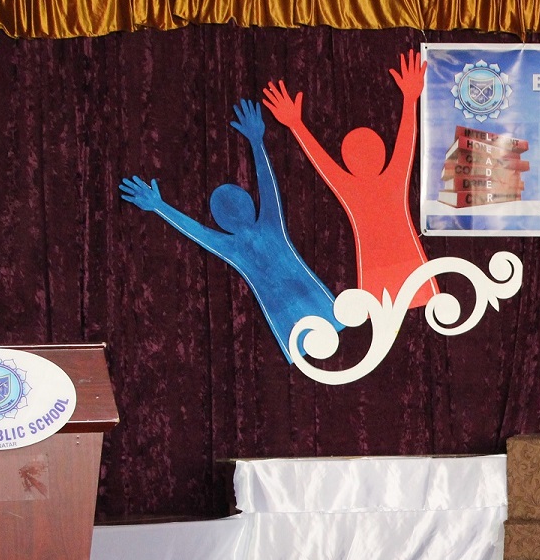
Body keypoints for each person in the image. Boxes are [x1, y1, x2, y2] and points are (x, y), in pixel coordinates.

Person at [119, 99, 338, 361]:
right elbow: (267, 189)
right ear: (249, 205)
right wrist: (256, 142)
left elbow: (198, 230)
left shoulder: (240, 244)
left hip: (292, 316)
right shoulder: (266, 229)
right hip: (304, 308)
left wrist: (159, 206)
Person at [262, 49, 438, 308]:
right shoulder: (390, 179)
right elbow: (405, 141)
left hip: (387, 273)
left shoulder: (357, 187)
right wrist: (410, 99)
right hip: (397, 269)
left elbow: (322, 161)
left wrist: (296, 125)